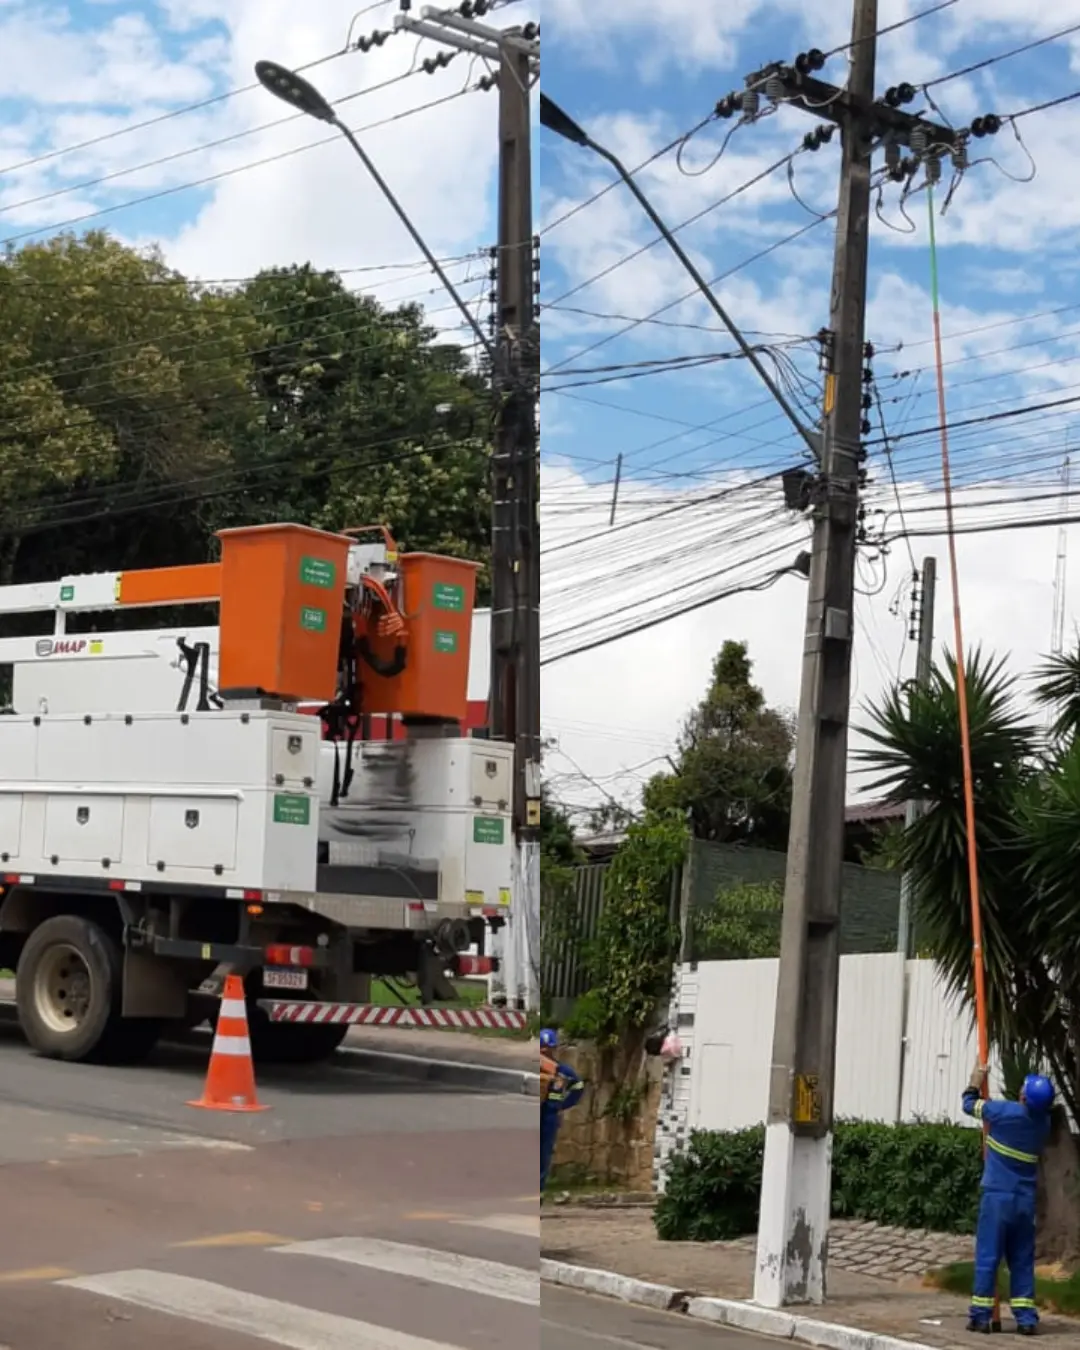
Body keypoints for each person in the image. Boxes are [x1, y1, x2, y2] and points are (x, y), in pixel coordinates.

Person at [962, 1062, 1055, 1336]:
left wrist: (974, 1082)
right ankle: (1026, 1318)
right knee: (1022, 1260)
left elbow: (970, 1105)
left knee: (988, 1257)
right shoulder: (1043, 1124)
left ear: (1024, 1097)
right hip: (1024, 1202)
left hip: (997, 1198)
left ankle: (980, 1317)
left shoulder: (1004, 1113)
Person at [540, 1027, 585, 1195]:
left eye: (549, 1049)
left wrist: (563, 1105)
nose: (546, 1053)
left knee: (543, 1157)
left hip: (550, 1118)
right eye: (542, 1049)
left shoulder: (561, 1071)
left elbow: (578, 1086)